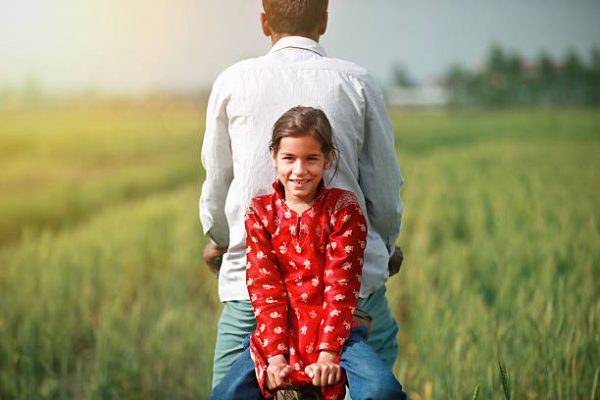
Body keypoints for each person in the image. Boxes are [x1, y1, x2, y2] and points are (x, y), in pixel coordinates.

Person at [200, 0, 405, 391]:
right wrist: (386, 246)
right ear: (324, 21)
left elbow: (219, 180)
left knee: (228, 389)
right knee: (377, 382)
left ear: (264, 23)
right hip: (348, 287)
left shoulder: (233, 81)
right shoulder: (358, 81)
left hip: (251, 287)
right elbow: (384, 188)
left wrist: (221, 241)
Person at [209, 106, 406, 400]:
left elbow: (342, 286)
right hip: (277, 336)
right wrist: (275, 357)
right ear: (274, 157)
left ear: (328, 159)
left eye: (311, 158)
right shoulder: (261, 213)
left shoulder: (343, 209)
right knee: (225, 396)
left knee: (383, 391)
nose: (299, 170)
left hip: (338, 335)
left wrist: (328, 355)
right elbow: (266, 290)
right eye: (289, 158)